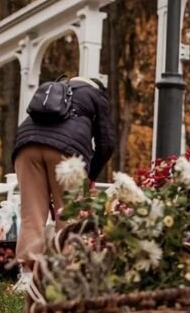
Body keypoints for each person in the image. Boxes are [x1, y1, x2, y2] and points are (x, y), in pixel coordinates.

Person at [13, 76, 115, 292]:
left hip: (26, 147)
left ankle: (27, 276)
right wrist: (91, 176)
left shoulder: (53, 89)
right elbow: (107, 143)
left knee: (32, 214)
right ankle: (64, 276)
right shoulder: (96, 96)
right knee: (70, 215)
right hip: (66, 154)